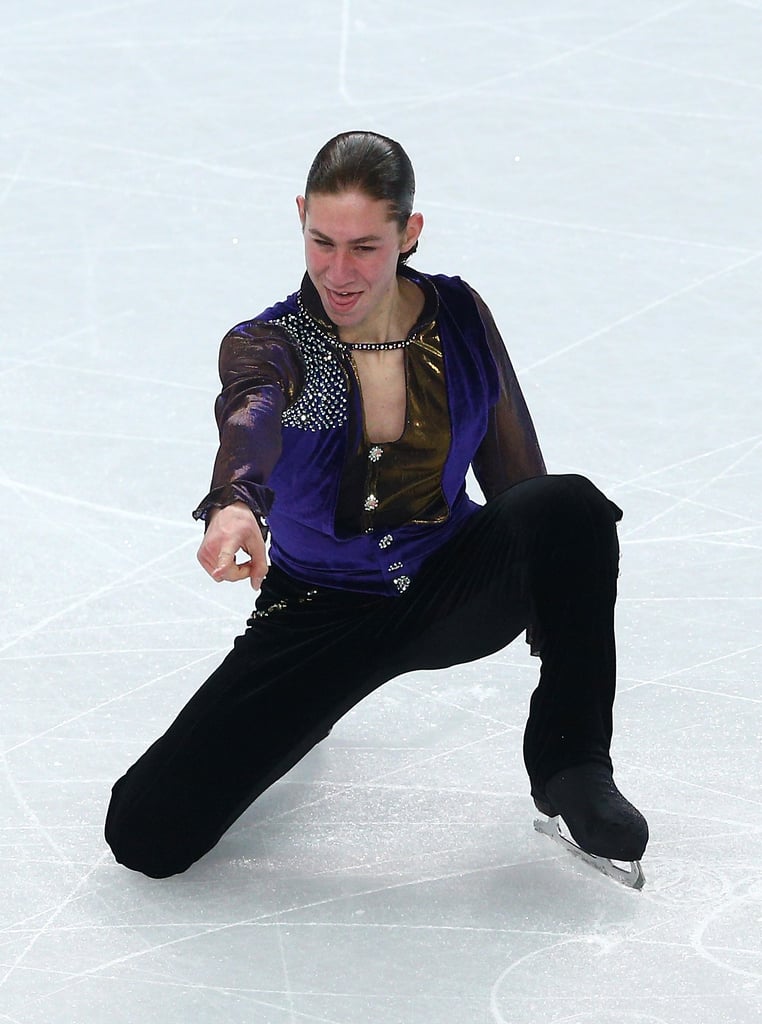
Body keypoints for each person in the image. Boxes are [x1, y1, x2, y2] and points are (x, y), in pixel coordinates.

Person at [105, 130, 648, 880]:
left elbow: (519, 482)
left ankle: (572, 767)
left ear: (409, 233)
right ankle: (309, 709)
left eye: (364, 246)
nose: (338, 270)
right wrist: (234, 504)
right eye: (321, 240)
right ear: (299, 216)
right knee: (145, 834)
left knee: (570, 509)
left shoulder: (458, 314)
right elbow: (250, 417)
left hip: (448, 586)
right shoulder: (274, 344)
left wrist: (549, 574)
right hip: (318, 612)